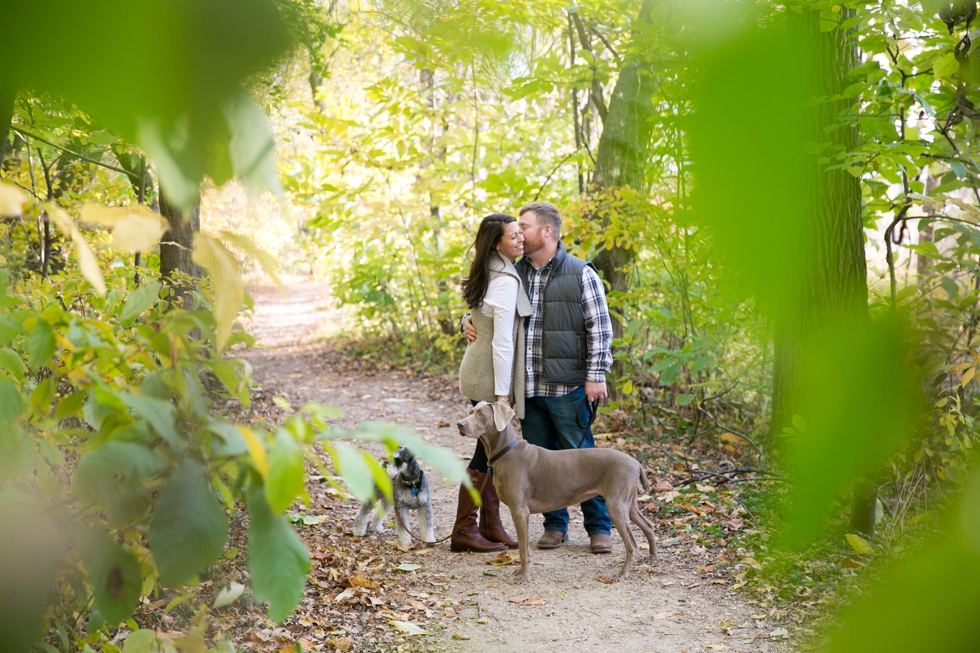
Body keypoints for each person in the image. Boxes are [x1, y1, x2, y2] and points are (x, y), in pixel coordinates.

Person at [464, 203, 614, 554]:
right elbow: (485, 309)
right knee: (540, 465)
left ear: (547, 231)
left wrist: (596, 374)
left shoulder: (581, 273)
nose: (519, 233)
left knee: (582, 457)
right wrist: (465, 322)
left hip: (567, 386)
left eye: (525, 227)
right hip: (527, 389)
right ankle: (555, 526)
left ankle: (599, 528)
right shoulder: (515, 274)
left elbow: (601, 328)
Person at [452, 213, 532, 553]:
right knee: (485, 454)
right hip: (488, 376)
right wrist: (502, 396)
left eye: (520, 234)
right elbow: (501, 342)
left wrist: (466, 319)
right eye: (513, 236)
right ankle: (464, 529)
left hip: (477, 368)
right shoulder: (504, 279)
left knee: (490, 452)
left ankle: (490, 524)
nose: (520, 240)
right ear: (497, 243)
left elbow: (476, 313)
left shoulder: (492, 268)